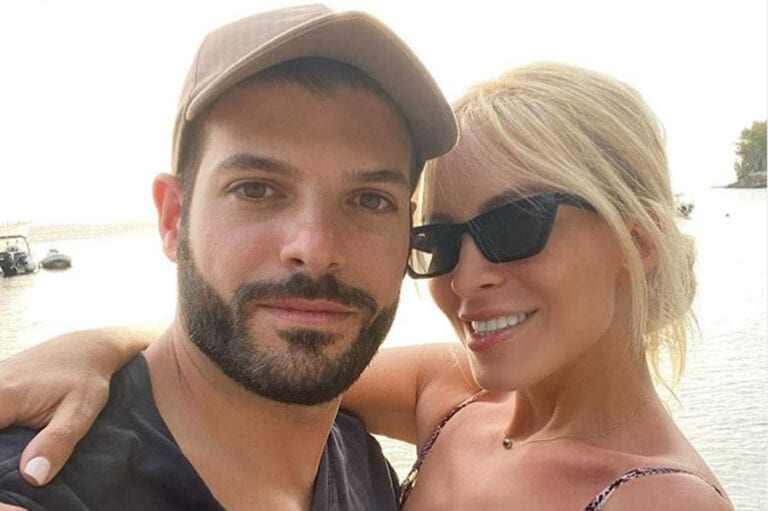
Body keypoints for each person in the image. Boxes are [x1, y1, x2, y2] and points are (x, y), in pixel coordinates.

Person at [0, 63, 734, 510]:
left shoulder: (656, 498)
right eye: (438, 239)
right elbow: (266, 346)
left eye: (516, 226)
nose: (465, 275)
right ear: (175, 216)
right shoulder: (455, 394)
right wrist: (96, 346)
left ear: (638, 242)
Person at [0, 4, 459, 510]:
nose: (316, 249)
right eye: (256, 189)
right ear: (174, 218)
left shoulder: (361, 461)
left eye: (370, 200)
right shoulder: (48, 479)